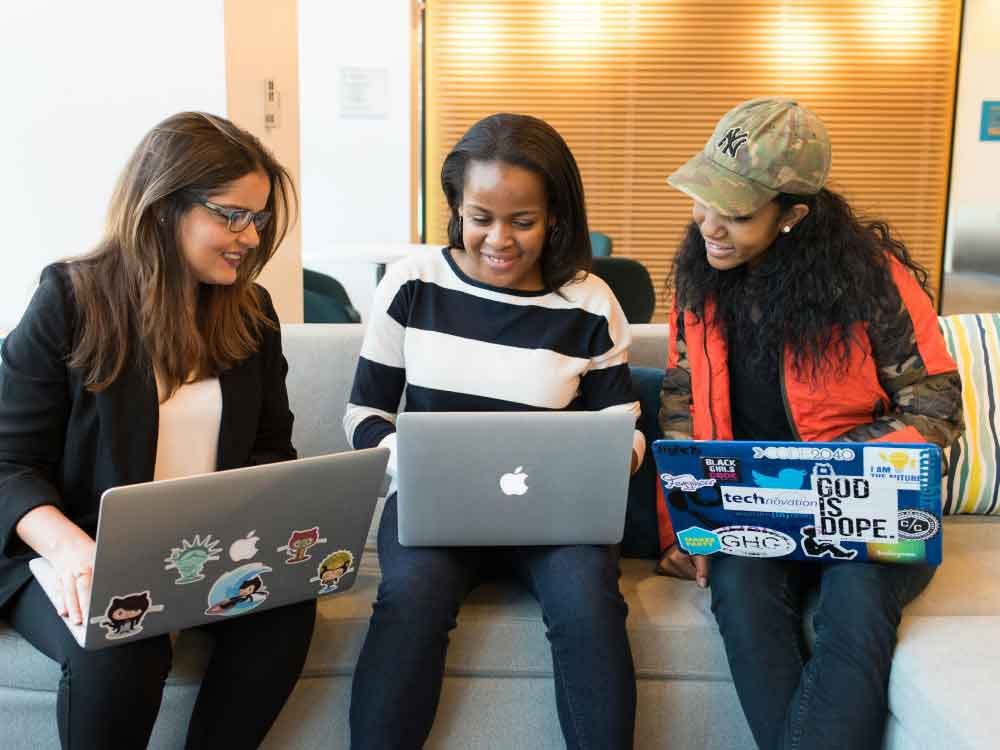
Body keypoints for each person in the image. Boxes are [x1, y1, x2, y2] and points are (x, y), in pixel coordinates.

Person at [656, 98, 964, 750]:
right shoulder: (698, 281)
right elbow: (682, 404)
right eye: (702, 199)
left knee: (854, 605)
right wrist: (685, 525)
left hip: (872, 508)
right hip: (754, 510)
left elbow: (935, 406)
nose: (708, 223)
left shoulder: (872, 281)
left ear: (792, 215)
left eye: (735, 213)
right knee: (739, 596)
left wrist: (825, 470)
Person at [0, 112, 316, 749]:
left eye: (257, 219)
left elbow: (268, 448)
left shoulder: (251, 314)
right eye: (232, 215)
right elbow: (8, 461)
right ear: (163, 206)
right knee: (125, 638)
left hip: (201, 553)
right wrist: (73, 551)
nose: (250, 237)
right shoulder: (70, 299)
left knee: (284, 613)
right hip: (69, 555)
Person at [344, 112, 643, 749]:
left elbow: (625, 430)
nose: (499, 239)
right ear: (457, 209)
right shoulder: (412, 283)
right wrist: (412, 459)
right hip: (433, 510)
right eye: (481, 217)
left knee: (590, 603)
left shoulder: (590, 303)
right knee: (410, 599)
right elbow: (364, 416)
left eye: (523, 221)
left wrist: (611, 457)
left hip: (557, 519)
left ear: (556, 215)